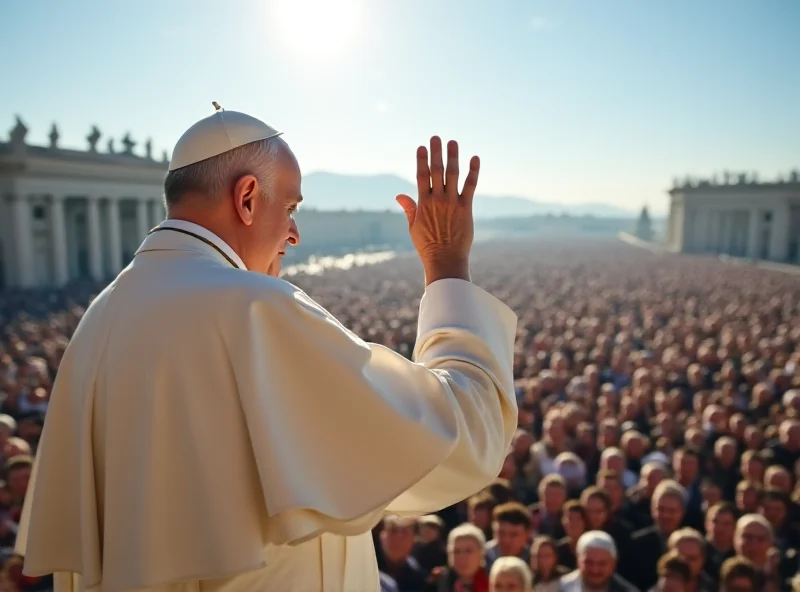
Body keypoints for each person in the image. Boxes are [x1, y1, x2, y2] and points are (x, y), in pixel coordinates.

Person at [14, 105, 519, 592]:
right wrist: (447, 264)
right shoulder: (253, 309)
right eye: (292, 207)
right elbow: (459, 442)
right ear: (248, 197)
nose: (295, 234)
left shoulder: (100, 317)